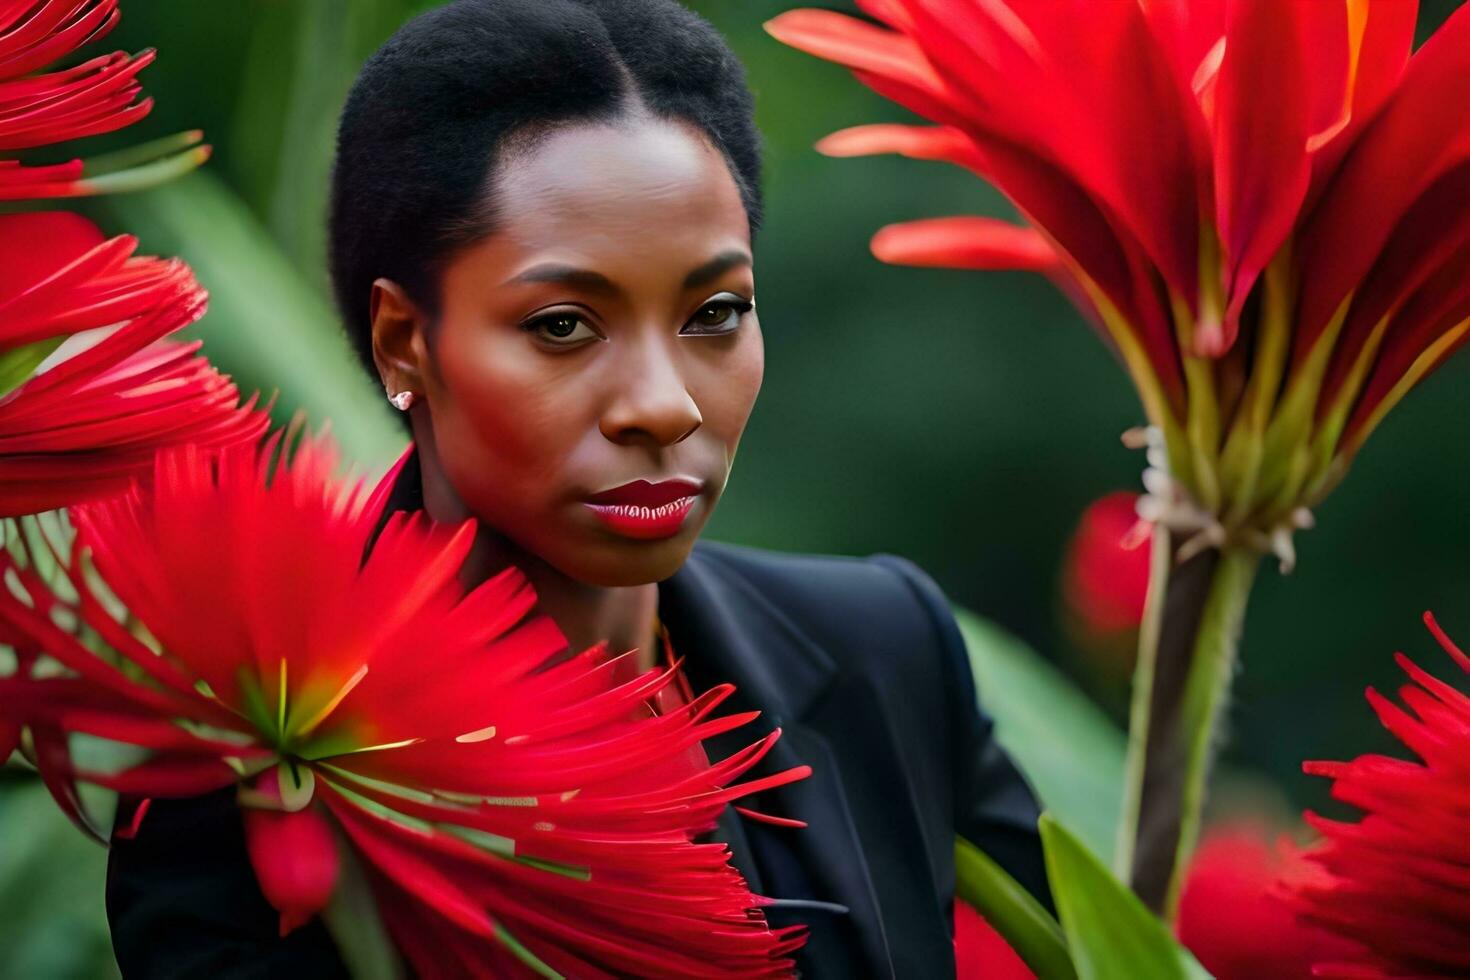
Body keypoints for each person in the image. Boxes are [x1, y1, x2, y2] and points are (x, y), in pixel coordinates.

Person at [105, 1, 1052, 976]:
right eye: (563, 324)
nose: (664, 404)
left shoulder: (887, 652)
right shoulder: (249, 768)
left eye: (715, 312)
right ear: (405, 342)